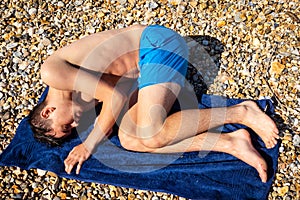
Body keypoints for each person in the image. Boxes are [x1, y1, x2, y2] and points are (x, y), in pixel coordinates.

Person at [29, 24, 279, 183]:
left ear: (48, 110)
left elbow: (115, 97)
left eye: (66, 124)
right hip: (142, 74)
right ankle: (230, 144)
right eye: (72, 129)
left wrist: (90, 144)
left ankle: (241, 112)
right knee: (130, 140)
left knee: (150, 129)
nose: (75, 123)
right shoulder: (77, 98)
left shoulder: (51, 74)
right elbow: (120, 91)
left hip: (157, 44)